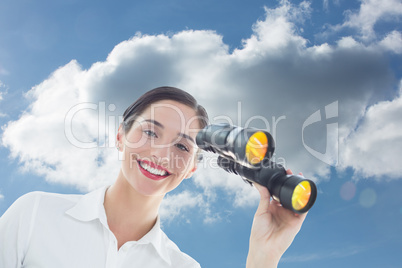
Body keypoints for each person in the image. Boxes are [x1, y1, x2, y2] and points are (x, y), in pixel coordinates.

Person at [0, 86, 307, 267]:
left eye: (182, 146)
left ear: (192, 168)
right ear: (120, 136)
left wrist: (263, 256)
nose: (161, 154)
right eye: (149, 132)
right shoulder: (36, 215)